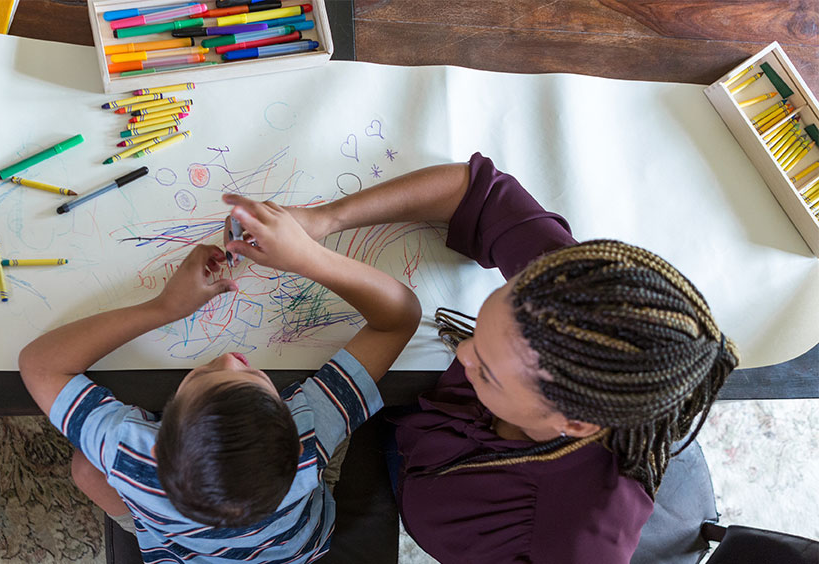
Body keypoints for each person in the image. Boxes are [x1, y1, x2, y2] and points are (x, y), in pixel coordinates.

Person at [280, 153, 739, 562]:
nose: (460, 351)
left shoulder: (574, 542)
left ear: (574, 423)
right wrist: (325, 219)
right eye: (481, 328)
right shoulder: (561, 303)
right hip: (419, 441)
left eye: (489, 370)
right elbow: (475, 191)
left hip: (413, 481)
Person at [17, 195, 422, 562]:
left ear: (154, 430)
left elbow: (40, 365)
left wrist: (163, 308)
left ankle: (149, 525)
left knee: (86, 470)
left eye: (207, 376)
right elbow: (399, 318)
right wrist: (305, 257)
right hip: (295, 548)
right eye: (251, 376)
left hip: (177, 547)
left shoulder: (131, 454)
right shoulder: (309, 436)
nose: (229, 358)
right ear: (290, 416)